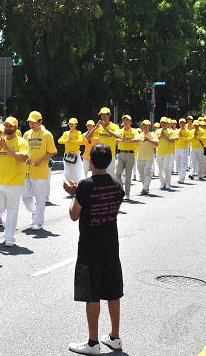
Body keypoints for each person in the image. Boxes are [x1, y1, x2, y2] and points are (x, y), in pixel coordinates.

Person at [64, 144, 124, 355]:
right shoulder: (117, 184)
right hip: (111, 244)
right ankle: (115, 337)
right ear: (108, 161)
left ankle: (93, 342)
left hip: (90, 247)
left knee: (93, 293)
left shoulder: (85, 185)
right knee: (113, 290)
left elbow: (74, 214)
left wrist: (74, 193)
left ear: (91, 161)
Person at [0, 117, 29, 246]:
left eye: (11, 126)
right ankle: (8, 226)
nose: (8, 128)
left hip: (15, 182)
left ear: (16, 127)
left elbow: (23, 158)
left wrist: (7, 149)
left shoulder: (22, 142)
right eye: (6, 125)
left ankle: (10, 237)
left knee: (12, 210)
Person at [22, 111, 57, 230]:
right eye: (30, 122)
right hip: (27, 171)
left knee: (40, 198)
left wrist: (41, 160)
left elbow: (53, 151)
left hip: (41, 172)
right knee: (26, 197)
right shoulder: (26, 134)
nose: (31, 124)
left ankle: (39, 222)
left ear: (40, 121)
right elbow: (24, 150)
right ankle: (34, 212)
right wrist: (26, 157)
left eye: (33, 122)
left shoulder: (47, 134)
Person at [86, 107, 120, 179]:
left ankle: (112, 188)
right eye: (102, 115)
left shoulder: (115, 126)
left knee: (110, 174)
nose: (103, 117)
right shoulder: (99, 127)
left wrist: (106, 129)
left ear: (109, 115)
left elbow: (117, 136)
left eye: (105, 115)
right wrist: (95, 128)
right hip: (99, 155)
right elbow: (88, 137)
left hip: (110, 154)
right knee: (99, 174)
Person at [115, 115, 139, 200]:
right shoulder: (119, 130)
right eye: (124, 120)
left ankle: (127, 194)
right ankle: (121, 191)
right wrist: (119, 140)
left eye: (127, 120)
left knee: (128, 176)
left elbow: (137, 140)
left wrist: (127, 140)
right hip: (120, 153)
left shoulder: (134, 131)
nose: (125, 122)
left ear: (130, 122)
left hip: (130, 154)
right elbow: (116, 138)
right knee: (117, 173)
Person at [58, 118, 85, 183]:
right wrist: (66, 141)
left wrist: (71, 141)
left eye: (72, 124)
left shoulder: (78, 133)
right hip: (67, 154)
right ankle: (69, 183)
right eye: (70, 124)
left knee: (78, 169)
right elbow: (59, 141)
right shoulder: (66, 133)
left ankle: (80, 183)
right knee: (67, 170)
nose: (71, 125)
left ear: (76, 124)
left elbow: (80, 141)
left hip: (76, 154)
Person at [137, 120, 158, 195]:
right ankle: (145, 186)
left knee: (147, 172)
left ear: (149, 126)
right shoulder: (139, 135)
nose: (144, 127)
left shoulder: (152, 135)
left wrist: (148, 140)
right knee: (141, 173)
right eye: (143, 125)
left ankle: (145, 188)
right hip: (140, 156)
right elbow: (135, 141)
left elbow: (157, 143)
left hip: (149, 157)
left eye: (146, 125)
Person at [155, 117, 177, 189]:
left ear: (167, 123)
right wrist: (160, 136)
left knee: (166, 168)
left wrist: (165, 137)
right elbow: (155, 140)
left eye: (165, 123)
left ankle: (167, 183)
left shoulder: (171, 131)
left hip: (168, 152)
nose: (163, 124)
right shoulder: (157, 131)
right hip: (159, 152)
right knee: (160, 169)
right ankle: (162, 183)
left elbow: (173, 140)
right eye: (162, 122)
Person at [174, 118, 191, 184]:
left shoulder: (188, 131)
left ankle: (182, 178)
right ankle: (180, 175)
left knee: (183, 163)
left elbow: (189, 139)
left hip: (184, 148)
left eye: (183, 123)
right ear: (179, 124)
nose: (182, 124)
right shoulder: (176, 131)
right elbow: (174, 139)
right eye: (181, 123)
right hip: (177, 148)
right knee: (178, 163)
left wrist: (182, 137)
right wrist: (178, 137)